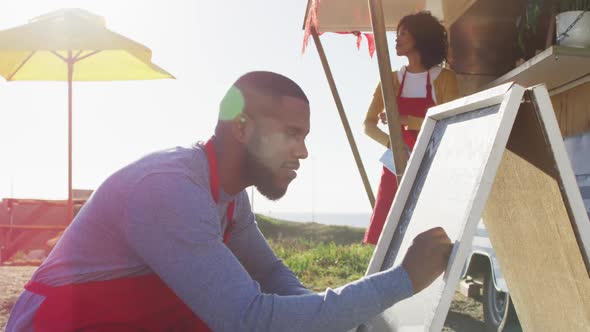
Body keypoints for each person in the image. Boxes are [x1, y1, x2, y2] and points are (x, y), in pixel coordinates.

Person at [6, 71, 452, 332]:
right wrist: (402, 281)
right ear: (241, 128)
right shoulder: (170, 190)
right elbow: (250, 319)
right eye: (292, 134)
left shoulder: (230, 196)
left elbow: (271, 273)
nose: (303, 152)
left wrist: (322, 318)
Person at [363, 12, 460, 245]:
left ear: (421, 37)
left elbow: (452, 122)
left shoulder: (445, 79)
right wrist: (394, 146)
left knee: (427, 234)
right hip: (396, 164)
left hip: (431, 162)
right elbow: (368, 125)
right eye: (398, 33)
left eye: (404, 33)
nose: (397, 38)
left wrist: (406, 119)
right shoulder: (389, 80)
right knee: (387, 235)